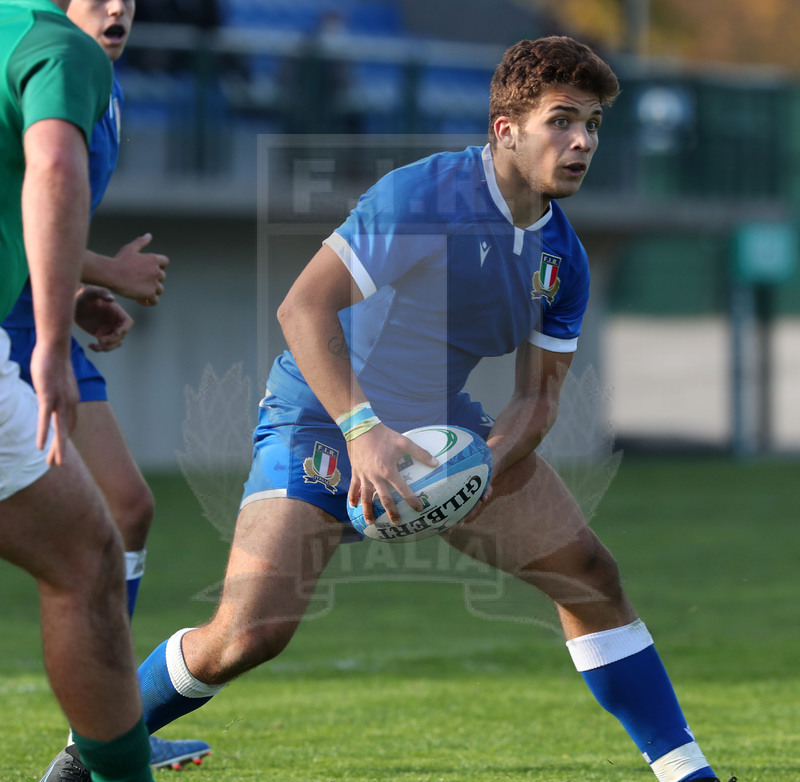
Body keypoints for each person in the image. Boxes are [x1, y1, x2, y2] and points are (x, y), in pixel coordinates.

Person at [55, 36, 733, 782]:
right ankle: (92, 746)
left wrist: (474, 469)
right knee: (247, 636)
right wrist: (364, 432)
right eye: (562, 121)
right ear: (506, 131)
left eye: (594, 124)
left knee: (589, 573)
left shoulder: (561, 261)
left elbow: (538, 399)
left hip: (441, 429)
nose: (581, 142)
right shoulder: (425, 196)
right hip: (321, 416)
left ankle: (688, 774)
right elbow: (303, 309)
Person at [0, 0, 211, 774]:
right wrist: (99, 280)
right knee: (83, 550)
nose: (116, 5)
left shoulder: (93, 77)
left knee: (124, 509)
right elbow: (44, 184)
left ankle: (98, 735)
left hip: (26, 305)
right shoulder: (54, 52)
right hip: (22, 327)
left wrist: (72, 290)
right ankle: (102, 744)